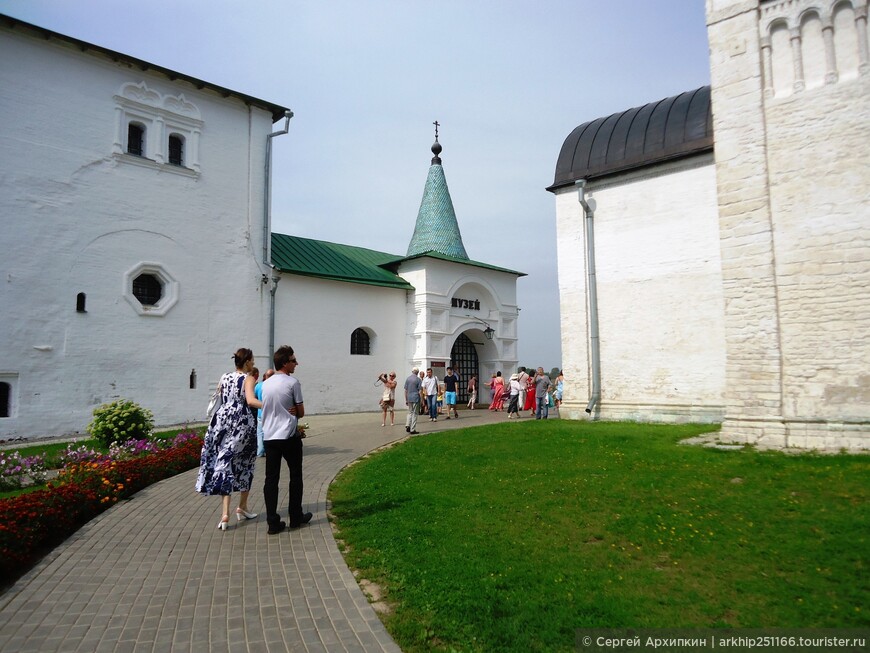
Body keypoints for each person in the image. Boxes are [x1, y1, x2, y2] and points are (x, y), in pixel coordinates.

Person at [195, 348, 262, 531]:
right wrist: (272, 404)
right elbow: (250, 401)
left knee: (225, 462)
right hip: (241, 423)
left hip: (222, 420)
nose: (254, 363)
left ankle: (225, 514)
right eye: (252, 360)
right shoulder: (248, 378)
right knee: (246, 463)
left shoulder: (224, 377)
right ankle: (242, 507)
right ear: (247, 361)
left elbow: (219, 395)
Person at [260, 345, 312, 535]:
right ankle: (295, 517)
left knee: (271, 480)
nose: (296, 363)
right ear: (284, 363)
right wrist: (294, 411)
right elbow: (301, 412)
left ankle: (272, 522)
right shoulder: (293, 383)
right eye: (293, 360)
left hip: (269, 437)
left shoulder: (265, 383)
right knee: (295, 476)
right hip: (289, 436)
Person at [254, 368, 275, 456]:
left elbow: (254, 397)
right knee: (271, 432)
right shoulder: (274, 386)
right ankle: (270, 450)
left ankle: (260, 451)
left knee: (260, 433)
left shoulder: (259, 385)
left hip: (260, 412)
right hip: (272, 412)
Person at [404, 367, 422, 434]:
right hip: (416, 397)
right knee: (415, 413)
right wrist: (422, 400)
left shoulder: (408, 379)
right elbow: (420, 391)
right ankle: (412, 429)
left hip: (409, 397)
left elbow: (405, 390)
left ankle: (407, 424)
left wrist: (406, 399)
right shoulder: (418, 380)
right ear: (417, 372)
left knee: (410, 412)